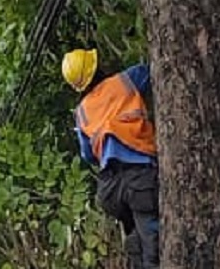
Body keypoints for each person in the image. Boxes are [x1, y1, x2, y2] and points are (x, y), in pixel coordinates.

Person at [62, 48, 159, 269]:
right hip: (139, 177)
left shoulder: (81, 112)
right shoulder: (125, 81)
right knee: (154, 245)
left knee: (135, 237)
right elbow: (154, 71)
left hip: (110, 189)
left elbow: (88, 155)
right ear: (97, 67)